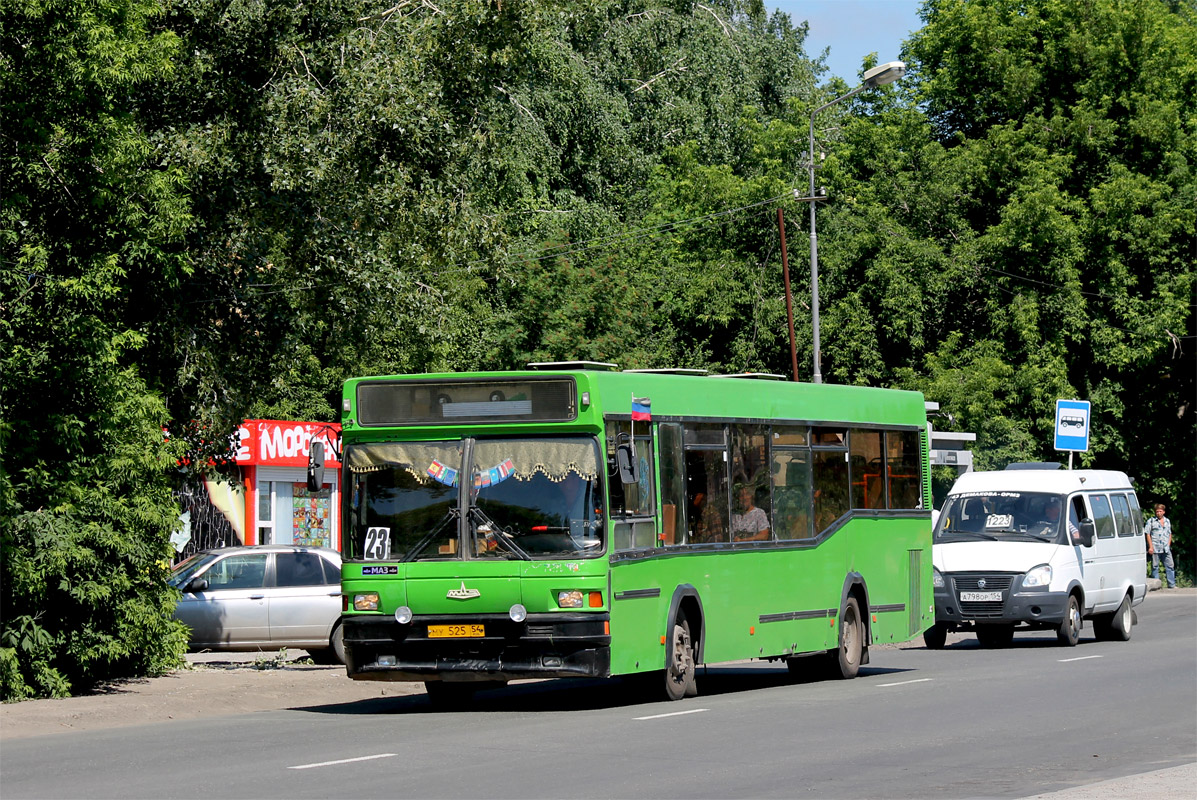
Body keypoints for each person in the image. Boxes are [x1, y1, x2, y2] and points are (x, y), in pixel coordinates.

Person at [1145, 503, 1175, 588]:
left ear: (1164, 512)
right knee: (1155, 566)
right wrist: (1150, 546)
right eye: (1157, 511)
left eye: (1160, 511)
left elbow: (1170, 534)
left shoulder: (1167, 521)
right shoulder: (1151, 521)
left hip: (1166, 548)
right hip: (1155, 547)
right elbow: (1147, 534)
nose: (1158, 513)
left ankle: (1172, 585)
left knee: (1170, 565)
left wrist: (1168, 544)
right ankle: (1156, 586)